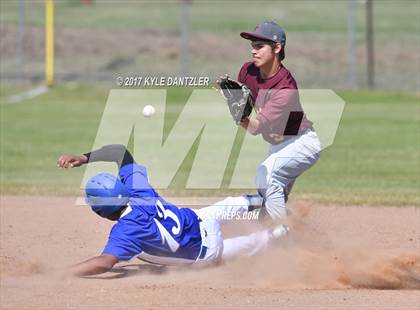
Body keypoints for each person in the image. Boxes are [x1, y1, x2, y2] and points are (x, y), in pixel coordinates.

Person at [57, 144, 289, 277]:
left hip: (206, 252)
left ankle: (279, 235)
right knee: (232, 205)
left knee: (255, 243)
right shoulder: (138, 190)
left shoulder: (125, 233)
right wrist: (82, 157)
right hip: (198, 219)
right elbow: (120, 152)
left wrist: (63, 273)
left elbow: (105, 262)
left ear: (100, 212)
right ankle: (262, 203)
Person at [235, 21, 321, 220]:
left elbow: (255, 128)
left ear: (277, 47)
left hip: (301, 143)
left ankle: (281, 235)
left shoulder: (285, 88)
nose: (253, 51)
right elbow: (244, 98)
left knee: (267, 176)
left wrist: (238, 115)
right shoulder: (248, 71)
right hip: (277, 146)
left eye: (259, 46)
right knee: (269, 203)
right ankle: (297, 230)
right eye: (252, 46)